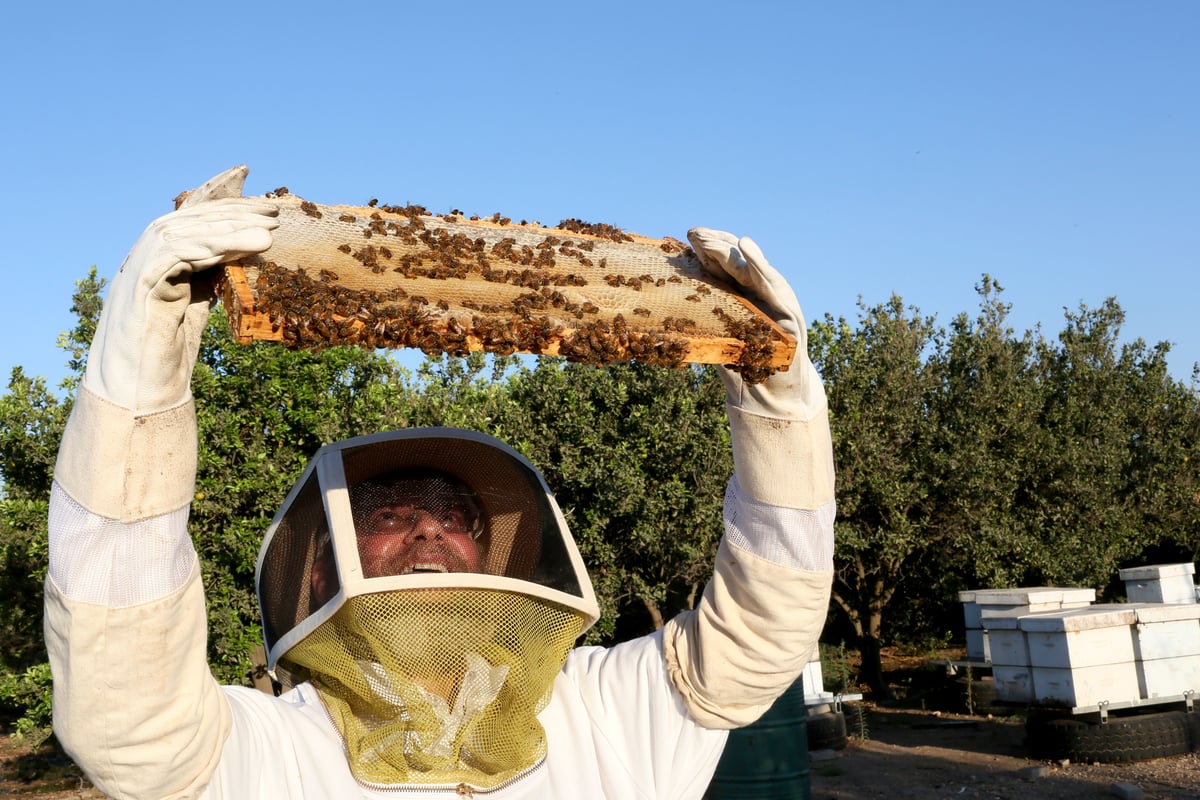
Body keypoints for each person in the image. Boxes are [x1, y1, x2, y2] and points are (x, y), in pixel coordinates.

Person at [44, 166, 836, 799]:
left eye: (453, 515)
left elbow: (761, 637)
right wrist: (142, 366)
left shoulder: (608, 708)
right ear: (319, 565)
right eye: (387, 513)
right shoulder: (263, 751)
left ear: (496, 559)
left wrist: (781, 397)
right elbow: (124, 715)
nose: (428, 530)